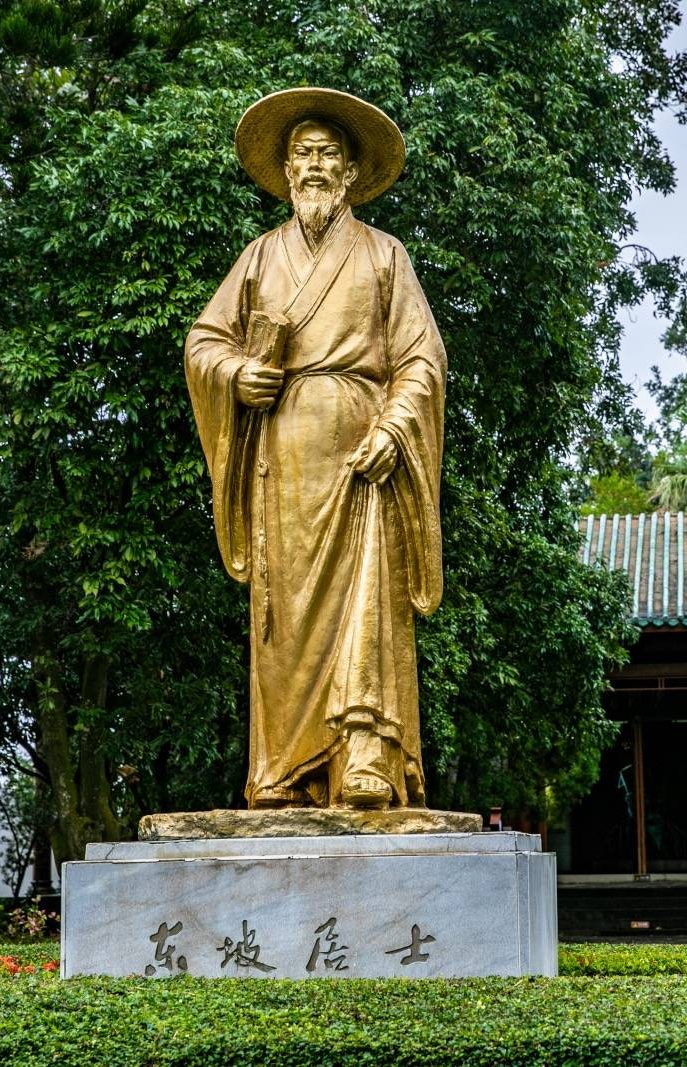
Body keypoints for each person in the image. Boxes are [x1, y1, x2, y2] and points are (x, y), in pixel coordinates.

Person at [185, 88, 445, 810]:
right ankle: (285, 767)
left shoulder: (385, 256)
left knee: (367, 603)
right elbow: (204, 343)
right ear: (287, 170)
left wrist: (395, 427)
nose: (315, 166)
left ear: (354, 173)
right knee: (284, 615)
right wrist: (239, 374)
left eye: (329, 154)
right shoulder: (261, 257)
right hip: (283, 463)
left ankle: (363, 755)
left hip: (363, 457)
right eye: (303, 154)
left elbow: (422, 360)